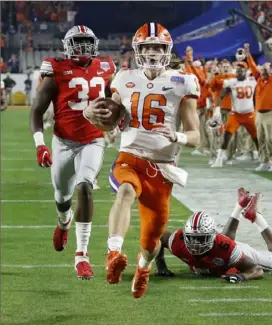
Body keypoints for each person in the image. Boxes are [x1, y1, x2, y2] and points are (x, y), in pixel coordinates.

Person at [84, 22, 200, 298]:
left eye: (157, 47)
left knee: (151, 242)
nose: (151, 52)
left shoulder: (183, 81)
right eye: (147, 47)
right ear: (138, 49)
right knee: (124, 191)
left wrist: (178, 137)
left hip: (161, 169)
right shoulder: (123, 78)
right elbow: (108, 120)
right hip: (130, 157)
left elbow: (196, 136)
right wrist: (91, 113)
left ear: (166, 50)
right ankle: (113, 253)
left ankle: (143, 268)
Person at [30, 25, 116, 280]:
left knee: (85, 187)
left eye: (86, 42)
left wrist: (115, 119)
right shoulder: (56, 69)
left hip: (93, 140)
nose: (82, 48)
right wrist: (40, 144)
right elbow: (36, 109)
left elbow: (115, 100)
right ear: (68, 46)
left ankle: (81, 255)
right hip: (63, 142)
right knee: (62, 195)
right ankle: (63, 222)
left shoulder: (106, 67)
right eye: (77, 43)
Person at [155, 188, 272, 281]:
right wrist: (161, 266)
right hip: (221, 252)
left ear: (212, 236)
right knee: (222, 249)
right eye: (192, 238)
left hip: (239, 252)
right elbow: (158, 235)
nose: (195, 244)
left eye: (200, 239)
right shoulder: (177, 241)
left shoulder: (228, 248)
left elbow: (255, 269)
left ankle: (256, 217)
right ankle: (239, 206)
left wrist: (242, 277)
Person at [211, 62, 258, 168]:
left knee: (256, 137)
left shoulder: (252, 80)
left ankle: (264, 158)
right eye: (237, 70)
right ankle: (219, 159)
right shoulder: (231, 82)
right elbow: (221, 95)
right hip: (236, 114)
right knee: (227, 136)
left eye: (241, 70)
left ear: (246, 71)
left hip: (249, 113)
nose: (239, 72)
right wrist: (217, 108)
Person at [245, 43, 272, 172]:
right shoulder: (259, 79)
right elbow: (252, 66)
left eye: (266, 69)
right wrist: (248, 53)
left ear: (270, 70)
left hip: (270, 113)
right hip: (259, 113)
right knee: (260, 138)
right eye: (263, 69)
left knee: (271, 139)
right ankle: (264, 161)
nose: (264, 71)